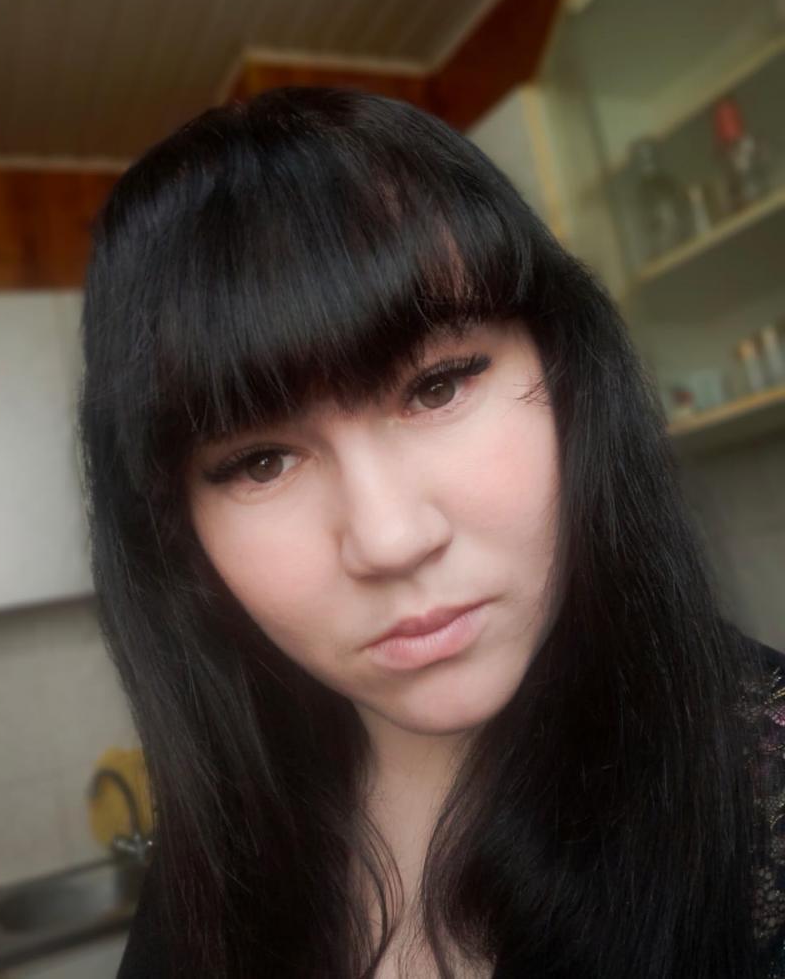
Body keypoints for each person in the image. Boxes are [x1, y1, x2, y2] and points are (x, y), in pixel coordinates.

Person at [78, 86, 785, 979]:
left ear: (568, 372)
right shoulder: (221, 842)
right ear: (177, 531)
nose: (389, 538)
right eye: (259, 462)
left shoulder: (764, 789)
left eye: (438, 386)